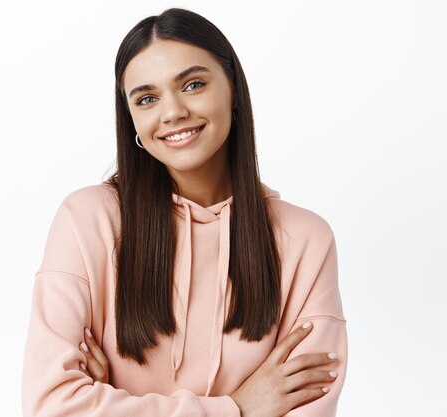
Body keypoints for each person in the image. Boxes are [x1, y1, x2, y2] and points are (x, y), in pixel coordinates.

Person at [21, 7, 347, 417]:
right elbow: (52, 406)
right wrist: (237, 408)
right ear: (133, 120)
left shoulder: (304, 240)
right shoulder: (89, 220)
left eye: (192, 84)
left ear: (233, 92)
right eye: (147, 98)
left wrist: (110, 399)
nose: (171, 112)